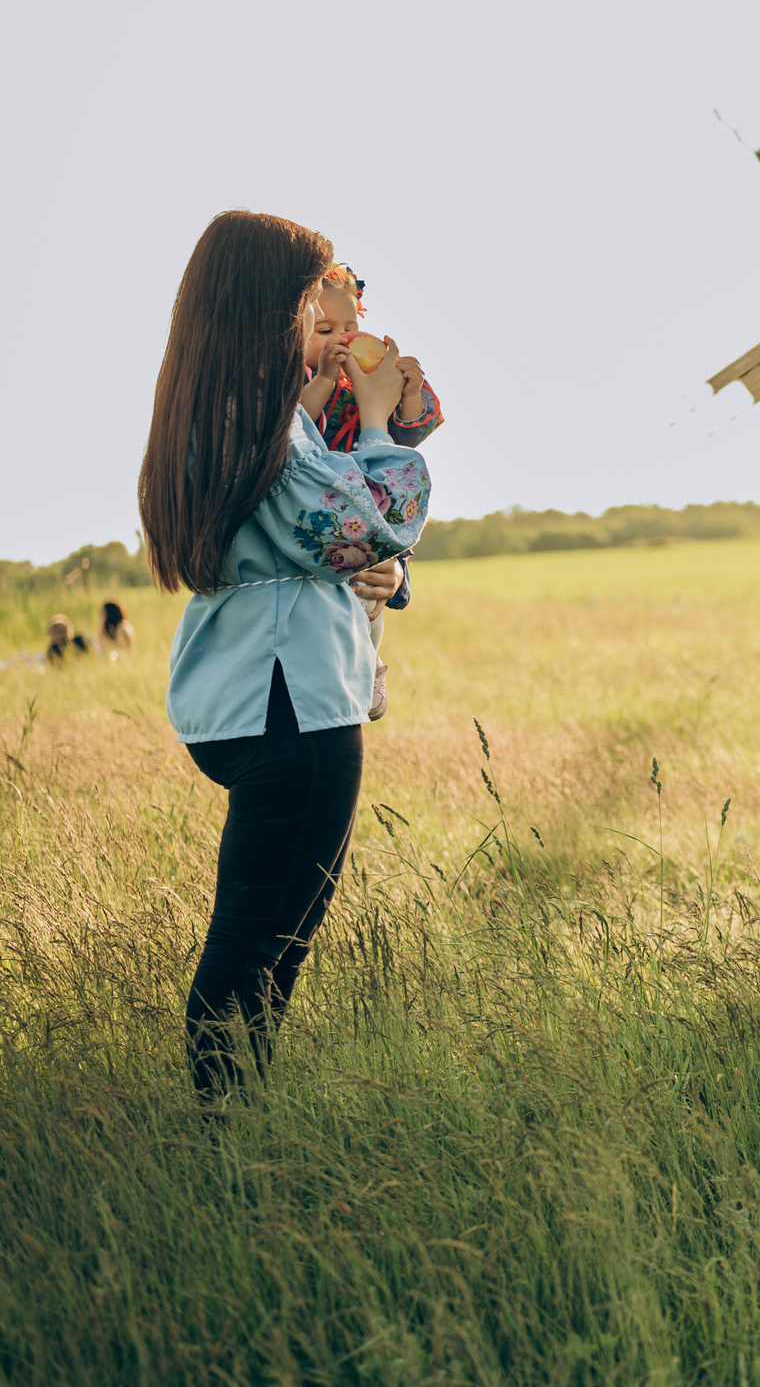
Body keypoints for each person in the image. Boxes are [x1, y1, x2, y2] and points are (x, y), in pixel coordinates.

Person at [140, 210, 430, 1099]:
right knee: (262, 945)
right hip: (291, 702)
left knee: (261, 937)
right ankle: (226, 1139)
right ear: (267, 305)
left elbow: (345, 553)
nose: (320, 321)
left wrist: (386, 576)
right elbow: (375, 524)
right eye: (308, 300)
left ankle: (233, 1118)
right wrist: (380, 425)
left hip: (240, 687)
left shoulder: (220, 409)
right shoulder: (261, 424)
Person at [298, 262, 440, 721]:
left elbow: (405, 439)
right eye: (325, 329)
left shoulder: (363, 378)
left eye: (351, 325)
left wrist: (409, 391)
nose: (342, 338)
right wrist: (322, 379)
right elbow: (295, 428)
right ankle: (357, 661)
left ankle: (370, 663)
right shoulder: (298, 381)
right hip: (326, 503)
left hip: (369, 502)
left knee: (372, 588)